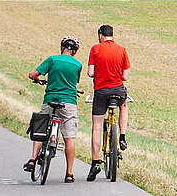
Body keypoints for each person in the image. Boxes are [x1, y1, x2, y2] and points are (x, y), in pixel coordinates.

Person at [23, 36, 82, 183]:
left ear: (62, 47)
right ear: (74, 51)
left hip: (50, 99)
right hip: (68, 103)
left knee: (41, 129)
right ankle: (69, 173)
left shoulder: (53, 59)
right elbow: (73, 82)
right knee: (69, 137)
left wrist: (37, 79)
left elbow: (33, 74)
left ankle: (32, 159)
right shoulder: (77, 65)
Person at [86, 24, 131, 182]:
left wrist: (100, 73)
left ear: (100, 35)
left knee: (97, 126)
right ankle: (123, 136)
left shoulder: (95, 49)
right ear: (112, 35)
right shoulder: (122, 49)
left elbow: (90, 72)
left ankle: (95, 163)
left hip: (101, 91)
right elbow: (125, 76)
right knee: (124, 106)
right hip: (118, 90)